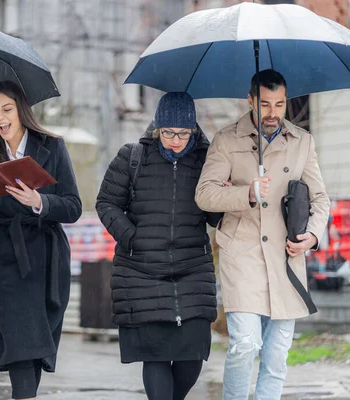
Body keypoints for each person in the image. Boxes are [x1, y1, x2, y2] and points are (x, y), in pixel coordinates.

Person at [195, 69, 330, 400]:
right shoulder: (227, 140)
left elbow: (320, 199)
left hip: (286, 258)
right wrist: (247, 194)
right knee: (246, 343)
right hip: (242, 254)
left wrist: (311, 236)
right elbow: (204, 194)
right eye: (266, 104)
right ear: (251, 101)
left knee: (276, 355)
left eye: (280, 104)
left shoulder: (302, 141)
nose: (273, 113)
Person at [96, 92, 223, 400]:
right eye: (167, 132)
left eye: (182, 133)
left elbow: (215, 217)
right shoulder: (132, 157)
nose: (174, 140)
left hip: (192, 269)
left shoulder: (208, 161)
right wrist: (132, 237)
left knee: (192, 358)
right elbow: (106, 203)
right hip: (142, 272)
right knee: (154, 356)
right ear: (157, 128)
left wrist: (224, 192)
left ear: (193, 130)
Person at [0, 80, 82, 400]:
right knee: (20, 341)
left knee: (35, 346)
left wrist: (39, 202)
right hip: (5, 258)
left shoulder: (52, 146)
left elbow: (73, 207)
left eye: (7, 110)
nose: (0, 118)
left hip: (47, 258)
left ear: (21, 111)